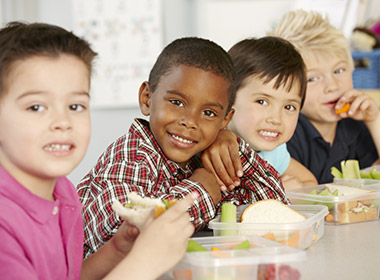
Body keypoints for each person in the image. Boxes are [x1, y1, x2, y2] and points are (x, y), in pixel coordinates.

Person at [0, 21, 197, 280]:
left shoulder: (63, 193)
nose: (63, 121)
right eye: (36, 107)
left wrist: (116, 250)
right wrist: (144, 262)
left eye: (75, 106)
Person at [77, 36, 289, 258]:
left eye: (209, 113)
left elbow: (275, 210)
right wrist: (201, 192)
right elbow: (120, 235)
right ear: (147, 99)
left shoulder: (203, 156)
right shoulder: (132, 156)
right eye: (177, 102)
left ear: (225, 119)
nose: (190, 122)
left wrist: (233, 144)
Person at [268, 10, 380, 183]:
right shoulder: (287, 132)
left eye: (339, 70)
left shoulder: (355, 123)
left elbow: (375, 177)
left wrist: (374, 120)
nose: (332, 86)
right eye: (313, 79)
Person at [201, 36, 318, 190]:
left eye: (289, 107)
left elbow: (311, 183)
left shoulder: (274, 153)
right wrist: (275, 192)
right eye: (262, 101)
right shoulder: (211, 147)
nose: (276, 119)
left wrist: (283, 191)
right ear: (227, 100)